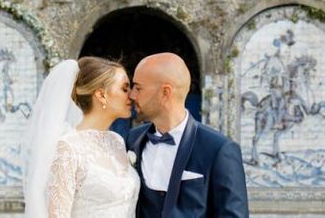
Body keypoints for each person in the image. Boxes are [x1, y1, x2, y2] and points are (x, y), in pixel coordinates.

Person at [127, 53, 249, 217]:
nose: (132, 95)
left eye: (138, 88)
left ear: (165, 92)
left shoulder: (219, 149)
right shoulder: (133, 140)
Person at [23, 57, 140, 217]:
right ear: (101, 95)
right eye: (124, 89)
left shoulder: (117, 141)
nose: (132, 96)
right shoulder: (68, 147)